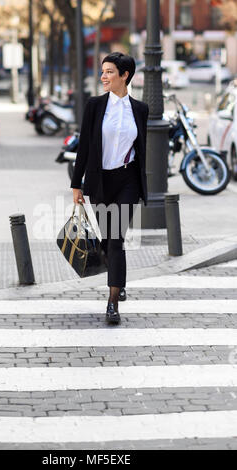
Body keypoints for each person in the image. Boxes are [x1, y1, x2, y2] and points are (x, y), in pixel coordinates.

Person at [71, 52, 149, 325]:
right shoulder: (94, 106)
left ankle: (113, 302)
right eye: (102, 71)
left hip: (128, 181)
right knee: (108, 240)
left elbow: (142, 150)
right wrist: (75, 184)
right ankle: (119, 277)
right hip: (100, 181)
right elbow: (84, 147)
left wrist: (143, 185)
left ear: (124, 75)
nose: (103, 76)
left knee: (116, 238)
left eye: (109, 72)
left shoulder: (140, 109)